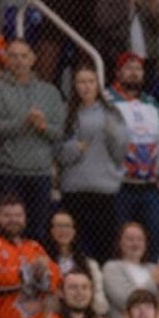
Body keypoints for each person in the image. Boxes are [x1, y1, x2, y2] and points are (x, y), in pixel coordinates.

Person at [0, 39, 64, 232]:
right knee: (7, 230)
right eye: (13, 56)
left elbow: (59, 132)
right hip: (8, 173)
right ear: (6, 60)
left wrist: (43, 126)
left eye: (23, 56)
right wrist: (23, 122)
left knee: (37, 231)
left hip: (40, 174)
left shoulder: (50, 91)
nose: (19, 61)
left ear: (33, 59)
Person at [54, 61, 124, 256]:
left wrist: (115, 137)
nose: (86, 86)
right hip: (75, 189)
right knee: (73, 248)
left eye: (91, 81)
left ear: (97, 84)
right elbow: (58, 152)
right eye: (81, 82)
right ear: (74, 86)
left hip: (104, 190)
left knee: (105, 248)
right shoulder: (64, 112)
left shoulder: (112, 112)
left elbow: (121, 151)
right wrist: (76, 148)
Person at [108, 52, 159, 241]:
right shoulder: (106, 101)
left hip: (150, 187)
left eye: (138, 68)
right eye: (128, 68)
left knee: (152, 240)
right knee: (120, 240)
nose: (134, 73)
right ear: (118, 73)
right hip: (119, 187)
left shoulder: (152, 104)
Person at [97, 220, 158, 318]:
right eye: (130, 239)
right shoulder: (111, 267)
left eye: (140, 239)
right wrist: (154, 282)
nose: (135, 243)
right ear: (120, 243)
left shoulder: (153, 268)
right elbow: (126, 301)